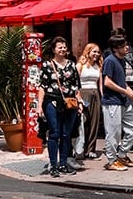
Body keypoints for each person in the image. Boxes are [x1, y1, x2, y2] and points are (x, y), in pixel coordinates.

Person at [38, 37, 83, 177]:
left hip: (70, 103)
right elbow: (42, 86)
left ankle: (63, 163)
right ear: (53, 50)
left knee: (66, 134)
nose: (62, 49)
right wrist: (39, 106)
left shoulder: (71, 65)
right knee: (54, 133)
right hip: (52, 101)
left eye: (64, 47)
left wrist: (80, 102)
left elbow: (76, 86)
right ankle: (53, 164)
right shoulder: (47, 65)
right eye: (59, 47)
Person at [101, 34, 133, 171]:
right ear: (116, 47)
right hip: (112, 101)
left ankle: (122, 154)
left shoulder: (123, 61)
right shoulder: (110, 60)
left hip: (124, 100)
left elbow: (122, 81)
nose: (127, 48)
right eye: (124, 46)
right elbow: (107, 82)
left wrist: (130, 91)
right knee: (114, 132)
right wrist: (125, 92)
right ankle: (112, 160)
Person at [74, 42, 103, 162]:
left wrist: (102, 97)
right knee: (83, 122)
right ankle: (80, 148)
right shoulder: (80, 65)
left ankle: (91, 150)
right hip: (83, 92)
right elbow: (75, 83)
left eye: (98, 52)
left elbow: (100, 84)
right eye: (94, 51)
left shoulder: (99, 66)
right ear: (88, 52)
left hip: (95, 93)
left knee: (94, 122)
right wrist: (78, 98)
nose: (96, 54)